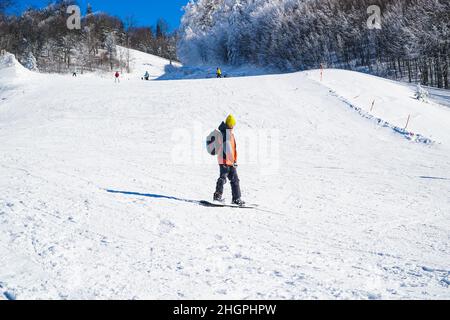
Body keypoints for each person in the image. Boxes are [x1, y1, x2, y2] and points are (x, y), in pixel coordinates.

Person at [213, 114, 245, 206]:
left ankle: (236, 198)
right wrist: (233, 160)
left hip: (230, 161)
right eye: (232, 124)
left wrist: (234, 160)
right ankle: (217, 197)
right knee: (223, 178)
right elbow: (227, 149)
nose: (233, 126)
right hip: (224, 160)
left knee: (235, 180)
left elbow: (232, 149)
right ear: (230, 124)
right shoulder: (224, 133)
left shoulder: (229, 134)